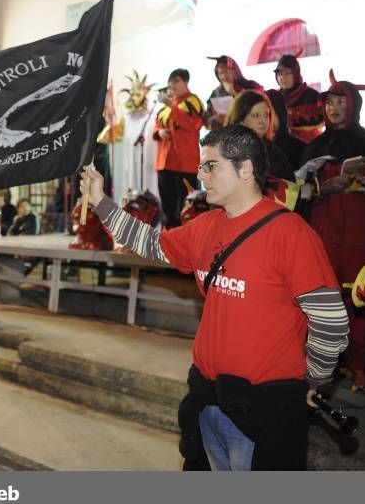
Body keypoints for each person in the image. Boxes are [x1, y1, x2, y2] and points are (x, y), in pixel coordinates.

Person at [81, 124, 349, 471]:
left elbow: (331, 321)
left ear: (246, 168)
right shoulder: (207, 226)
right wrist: (102, 203)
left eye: (211, 165)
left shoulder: (291, 234)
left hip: (262, 411)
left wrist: (310, 379)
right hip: (207, 400)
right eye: (200, 165)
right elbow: (151, 243)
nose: (200, 174)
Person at [302, 70, 365, 392]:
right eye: (330, 102)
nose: (334, 108)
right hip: (323, 233)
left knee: (359, 299)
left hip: (361, 234)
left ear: (353, 105)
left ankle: (359, 368)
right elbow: (300, 189)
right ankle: (326, 366)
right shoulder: (314, 146)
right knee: (324, 303)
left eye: (341, 101)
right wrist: (324, 185)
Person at [153, 69, 205, 228]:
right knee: (167, 203)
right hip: (165, 160)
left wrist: (172, 105)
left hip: (185, 162)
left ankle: (188, 240)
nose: (171, 85)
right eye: (170, 81)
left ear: (185, 82)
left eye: (176, 81)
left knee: (187, 204)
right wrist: (159, 132)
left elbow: (193, 124)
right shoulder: (165, 106)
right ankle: (169, 237)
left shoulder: (193, 101)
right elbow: (156, 126)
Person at [225, 90, 295, 182]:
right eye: (256, 115)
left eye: (266, 115)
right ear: (241, 120)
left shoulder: (272, 150)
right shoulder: (226, 151)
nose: (263, 121)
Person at [115, 70, 159, 201]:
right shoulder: (127, 118)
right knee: (131, 181)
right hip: (130, 159)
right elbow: (116, 136)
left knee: (146, 182)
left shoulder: (151, 116)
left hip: (146, 160)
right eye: (132, 94)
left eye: (138, 94)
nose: (135, 97)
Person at [274, 54, 324, 143]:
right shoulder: (275, 98)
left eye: (287, 73)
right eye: (280, 73)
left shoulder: (311, 96)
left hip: (309, 145)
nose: (282, 77)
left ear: (295, 74)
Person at [205, 55, 262, 130]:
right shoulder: (216, 93)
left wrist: (234, 93)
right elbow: (207, 119)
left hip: (250, 131)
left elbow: (260, 105)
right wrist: (215, 119)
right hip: (226, 135)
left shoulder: (251, 85)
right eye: (220, 73)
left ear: (235, 70)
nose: (224, 76)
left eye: (226, 71)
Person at [266, 89, 306, 172]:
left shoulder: (300, 148)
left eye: (270, 114)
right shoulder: (255, 149)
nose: (265, 120)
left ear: (281, 114)